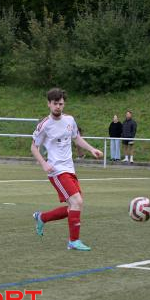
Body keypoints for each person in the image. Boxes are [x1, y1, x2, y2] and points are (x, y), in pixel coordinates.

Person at [31, 88, 103, 252]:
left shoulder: (70, 120)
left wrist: (91, 149)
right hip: (56, 170)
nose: (58, 106)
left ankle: (42, 217)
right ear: (49, 104)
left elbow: (76, 138)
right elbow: (34, 147)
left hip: (70, 169)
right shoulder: (44, 125)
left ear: (64, 104)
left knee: (74, 207)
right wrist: (43, 163)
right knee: (77, 202)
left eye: (61, 103)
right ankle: (73, 241)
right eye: (55, 103)